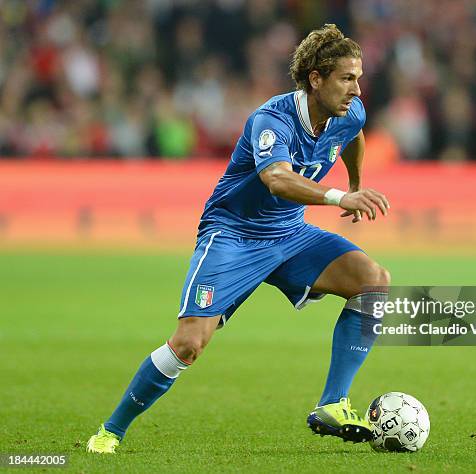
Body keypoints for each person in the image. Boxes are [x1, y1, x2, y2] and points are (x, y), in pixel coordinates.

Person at [87, 24, 390, 454]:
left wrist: (357, 178)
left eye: (358, 78)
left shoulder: (349, 111)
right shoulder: (273, 119)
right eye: (347, 78)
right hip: (234, 235)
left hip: (289, 234)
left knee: (373, 281)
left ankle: (333, 403)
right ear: (315, 79)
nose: (357, 89)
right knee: (189, 344)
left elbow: (353, 135)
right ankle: (110, 432)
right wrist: (343, 194)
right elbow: (277, 180)